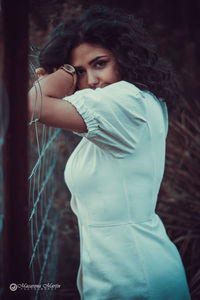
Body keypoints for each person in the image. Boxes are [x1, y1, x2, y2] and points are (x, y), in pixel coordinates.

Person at [28, 5, 191, 300]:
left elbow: (34, 105)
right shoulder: (122, 109)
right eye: (78, 71)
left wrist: (51, 84)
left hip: (135, 277)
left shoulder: (126, 100)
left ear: (125, 58)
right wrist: (50, 85)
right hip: (119, 269)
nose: (91, 80)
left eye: (100, 63)